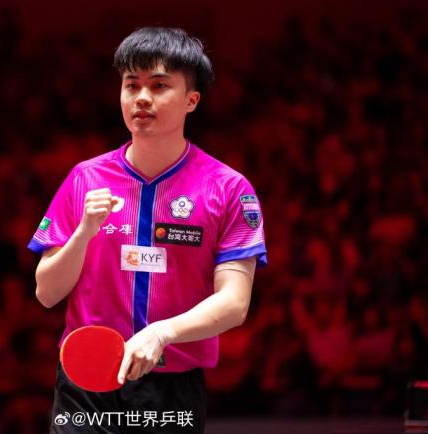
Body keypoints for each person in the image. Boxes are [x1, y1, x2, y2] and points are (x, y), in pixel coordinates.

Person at [28, 27, 267, 433]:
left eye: (159, 86)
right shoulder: (84, 179)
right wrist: (84, 232)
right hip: (86, 382)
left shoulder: (228, 189)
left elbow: (234, 303)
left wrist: (163, 332)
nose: (141, 97)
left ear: (191, 100)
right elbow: (46, 292)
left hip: (172, 387)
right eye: (131, 85)